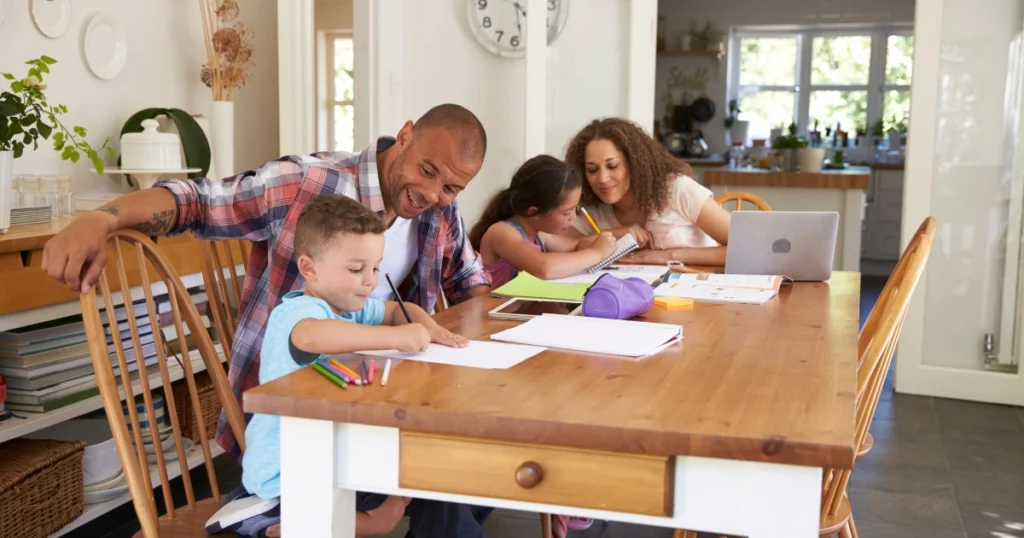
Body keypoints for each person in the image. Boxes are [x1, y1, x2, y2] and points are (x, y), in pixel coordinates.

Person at [39, 103, 492, 460]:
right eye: (427, 171)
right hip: (292, 414)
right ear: (406, 134)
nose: (433, 194)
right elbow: (198, 202)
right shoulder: (307, 182)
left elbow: (470, 281)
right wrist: (102, 217)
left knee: (466, 475)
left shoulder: (440, 210)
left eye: (452, 188)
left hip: (386, 397)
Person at [233, 194, 488, 538]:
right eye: (356, 269)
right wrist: (393, 339)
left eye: (375, 267)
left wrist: (429, 326)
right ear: (309, 268)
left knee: (447, 480)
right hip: (288, 475)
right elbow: (312, 336)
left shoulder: (348, 306)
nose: (370, 281)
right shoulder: (298, 313)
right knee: (393, 513)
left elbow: (400, 310)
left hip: (334, 455)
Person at [563, 118, 731, 266]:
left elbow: (746, 249)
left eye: (612, 166)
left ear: (635, 163)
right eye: (592, 170)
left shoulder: (677, 189)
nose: (603, 178)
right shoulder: (592, 208)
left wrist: (668, 256)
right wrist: (615, 234)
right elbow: (559, 248)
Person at [469, 155, 616, 288]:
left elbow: (576, 245)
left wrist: (600, 246)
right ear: (533, 212)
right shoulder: (502, 233)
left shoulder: (539, 234)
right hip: (491, 313)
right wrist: (596, 253)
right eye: (566, 212)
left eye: (575, 208)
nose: (573, 217)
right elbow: (544, 268)